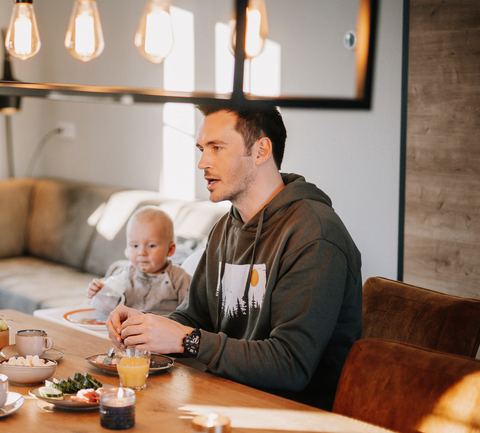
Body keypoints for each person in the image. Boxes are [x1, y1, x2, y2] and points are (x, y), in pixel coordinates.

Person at [108, 106, 362, 410]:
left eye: (217, 148)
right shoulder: (226, 228)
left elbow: (291, 365)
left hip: (290, 414)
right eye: (202, 149)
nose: (202, 163)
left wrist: (187, 340)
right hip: (222, 396)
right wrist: (145, 328)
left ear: (261, 151)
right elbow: (194, 318)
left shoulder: (314, 235)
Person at [87, 206, 192, 315]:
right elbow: (109, 310)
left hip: (160, 325)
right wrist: (99, 293)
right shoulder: (124, 274)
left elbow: (191, 314)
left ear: (170, 250)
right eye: (135, 245)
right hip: (126, 325)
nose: (141, 252)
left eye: (151, 245)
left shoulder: (180, 279)